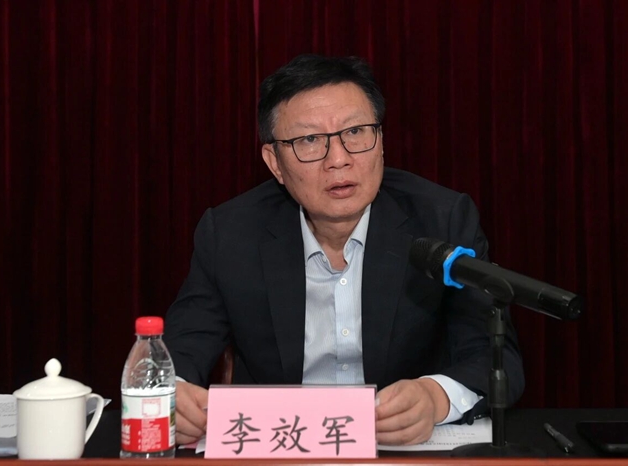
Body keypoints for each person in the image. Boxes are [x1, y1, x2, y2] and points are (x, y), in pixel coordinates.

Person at [164, 54, 524, 446]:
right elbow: (183, 347)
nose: (339, 160)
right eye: (309, 140)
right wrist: (175, 395)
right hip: (280, 446)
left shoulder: (441, 220)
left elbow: (495, 355)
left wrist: (435, 396)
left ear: (381, 142)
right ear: (275, 163)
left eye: (355, 132)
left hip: (400, 451)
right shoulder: (230, 233)